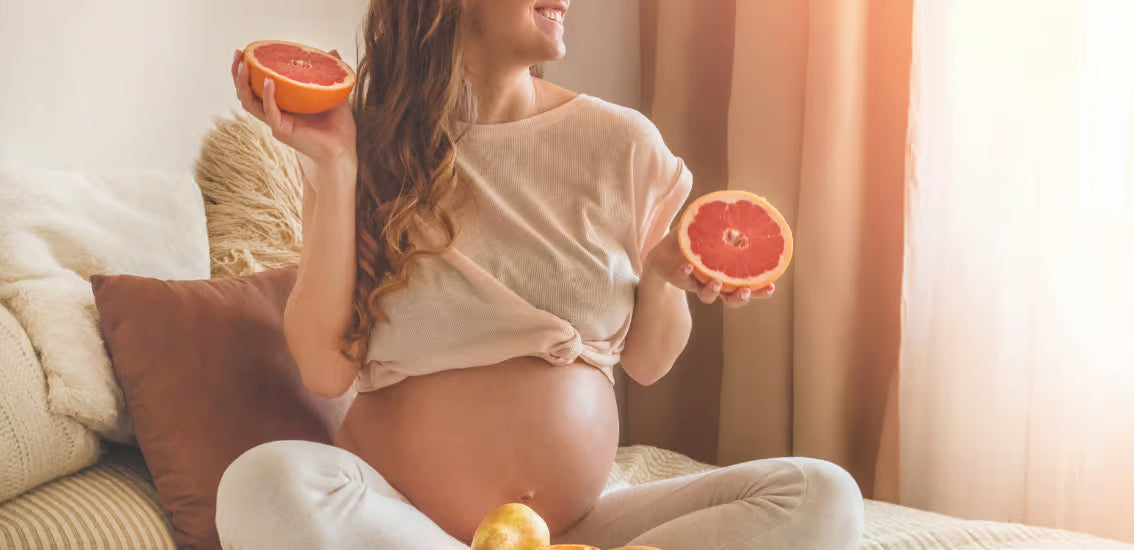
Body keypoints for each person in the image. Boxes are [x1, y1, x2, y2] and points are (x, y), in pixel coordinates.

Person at [214, 0, 864, 548]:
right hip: (408, 522)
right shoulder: (365, 146)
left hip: (578, 525)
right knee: (262, 482)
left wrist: (663, 278)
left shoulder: (624, 146)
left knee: (818, 495)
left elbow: (648, 362)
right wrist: (334, 169)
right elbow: (325, 370)